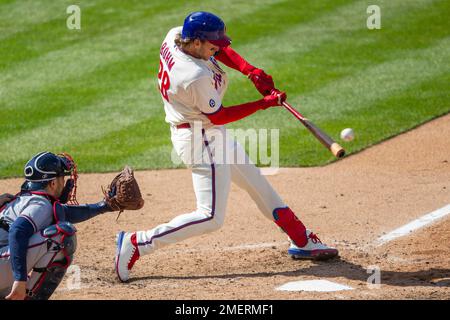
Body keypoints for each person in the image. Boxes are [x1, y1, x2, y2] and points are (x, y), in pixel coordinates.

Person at [115, 11, 338, 282]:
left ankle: (301, 239)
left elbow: (222, 52)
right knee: (210, 217)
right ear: (196, 42)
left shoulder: (177, 36)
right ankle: (137, 243)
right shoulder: (193, 75)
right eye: (212, 44)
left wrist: (250, 71)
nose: (218, 47)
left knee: (257, 184)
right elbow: (219, 115)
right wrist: (264, 103)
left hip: (208, 132)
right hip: (201, 140)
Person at [0, 151, 121, 300]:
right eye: (62, 178)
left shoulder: (24, 200)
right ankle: (25, 296)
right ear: (52, 183)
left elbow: (68, 212)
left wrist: (104, 206)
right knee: (61, 236)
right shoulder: (40, 204)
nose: (65, 183)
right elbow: (17, 231)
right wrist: (20, 279)